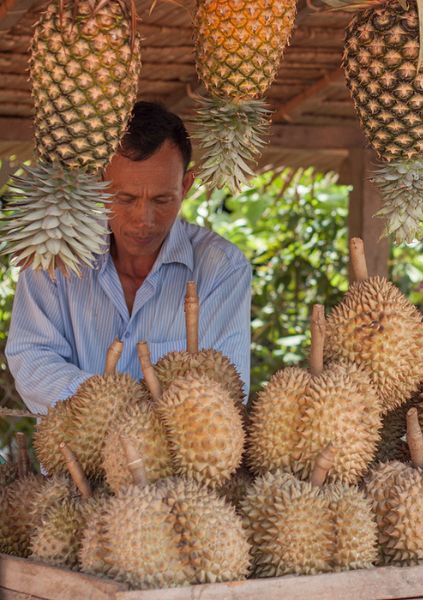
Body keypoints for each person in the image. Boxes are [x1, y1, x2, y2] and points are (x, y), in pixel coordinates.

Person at [6, 101, 252, 415]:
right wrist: (111, 405)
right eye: (125, 198)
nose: (143, 219)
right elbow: (31, 358)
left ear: (185, 186)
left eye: (162, 199)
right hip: (71, 448)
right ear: (98, 183)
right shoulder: (54, 254)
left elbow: (227, 390)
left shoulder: (221, 268)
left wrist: (130, 419)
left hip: (172, 448)